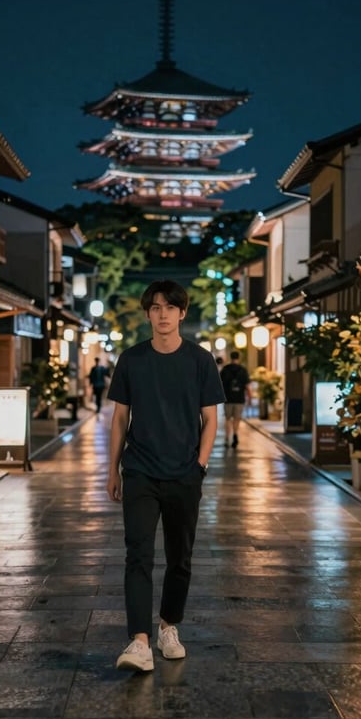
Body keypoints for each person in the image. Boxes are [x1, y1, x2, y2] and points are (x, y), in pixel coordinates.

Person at [106, 279, 225, 672]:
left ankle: (168, 627)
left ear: (182, 313)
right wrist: (113, 469)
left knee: (180, 557)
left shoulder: (200, 360)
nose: (162, 314)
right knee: (137, 554)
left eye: (170, 308)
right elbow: (120, 417)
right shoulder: (132, 359)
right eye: (155, 308)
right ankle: (139, 641)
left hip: (184, 473)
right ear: (147, 314)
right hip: (140, 470)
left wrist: (200, 466)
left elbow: (211, 418)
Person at [219, 350, 251, 448]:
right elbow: (247, 386)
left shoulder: (225, 369)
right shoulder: (243, 370)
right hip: (239, 398)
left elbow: (219, 384)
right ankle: (235, 434)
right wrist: (250, 397)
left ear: (230, 357)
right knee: (237, 419)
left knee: (228, 419)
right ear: (238, 358)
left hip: (227, 398)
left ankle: (227, 438)